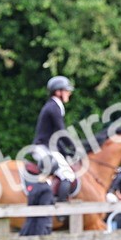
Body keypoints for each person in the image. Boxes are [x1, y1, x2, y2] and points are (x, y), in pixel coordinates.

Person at [31, 75, 78, 204]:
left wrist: (66, 150)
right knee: (68, 174)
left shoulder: (54, 106)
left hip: (47, 146)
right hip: (43, 148)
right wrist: (74, 147)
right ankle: (60, 209)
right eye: (66, 90)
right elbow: (61, 132)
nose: (69, 93)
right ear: (58, 92)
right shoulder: (54, 107)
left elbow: (55, 135)